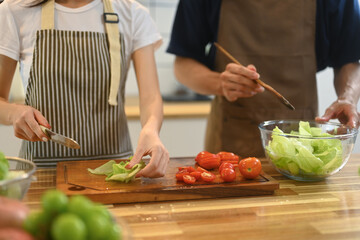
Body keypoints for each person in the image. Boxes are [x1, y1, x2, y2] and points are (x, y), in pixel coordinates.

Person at [167, 0, 360, 157]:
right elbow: (183, 65)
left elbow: (349, 60)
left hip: (302, 144)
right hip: (231, 143)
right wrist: (220, 83)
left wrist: (348, 97)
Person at [0, 0, 169, 178]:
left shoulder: (133, 13)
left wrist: (151, 130)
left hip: (114, 174)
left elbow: (151, 97)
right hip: (42, 176)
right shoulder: (13, 11)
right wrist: (14, 113)